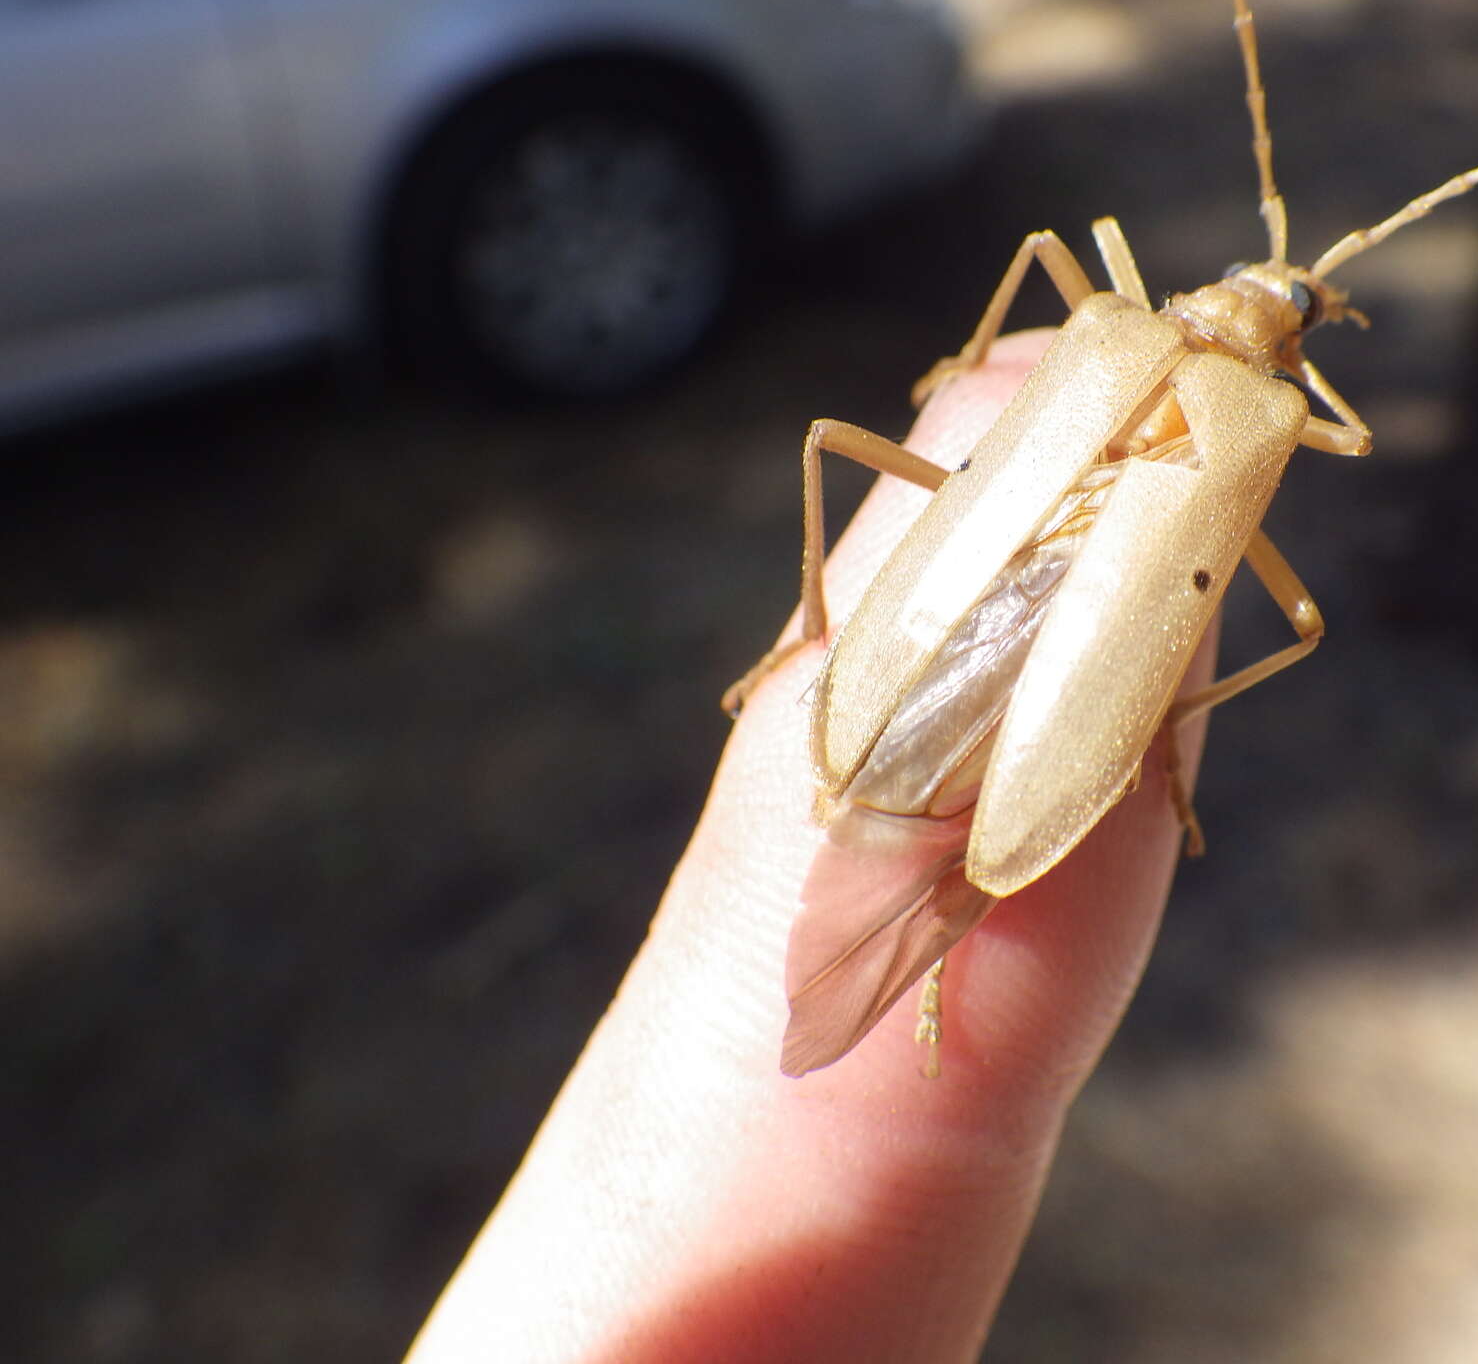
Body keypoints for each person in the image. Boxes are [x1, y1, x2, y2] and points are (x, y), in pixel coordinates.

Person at [405, 331, 1208, 1363]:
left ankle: (913, 822)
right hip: (1033, 560)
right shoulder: (1130, 349)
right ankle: (880, 763)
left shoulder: (1178, 382)